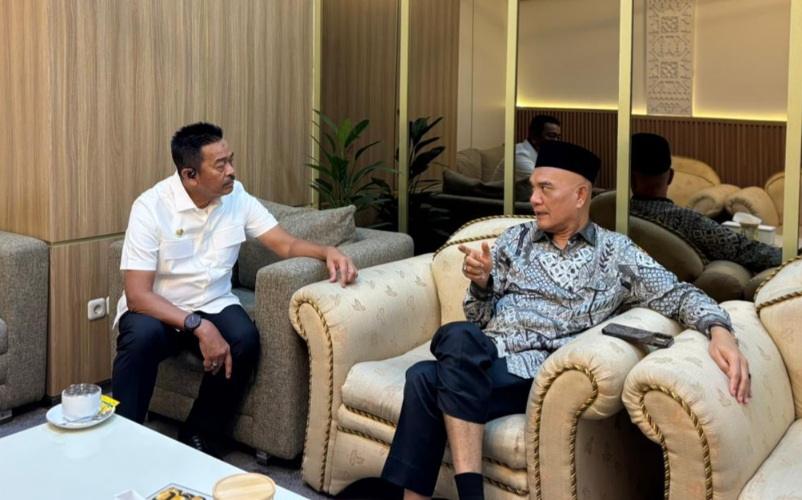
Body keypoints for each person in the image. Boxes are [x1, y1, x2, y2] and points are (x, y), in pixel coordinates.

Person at [381, 141, 750, 500]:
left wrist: (719, 330)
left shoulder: (615, 253)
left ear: (580, 195)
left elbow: (679, 293)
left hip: (537, 374)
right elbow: (478, 319)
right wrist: (481, 284)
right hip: (483, 359)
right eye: (533, 188)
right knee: (451, 344)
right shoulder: (514, 240)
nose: (534, 199)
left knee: (426, 376)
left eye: (545, 188)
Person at [111, 122, 357, 455]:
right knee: (141, 337)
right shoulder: (150, 207)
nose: (232, 170)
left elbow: (284, 244)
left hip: (213, 301)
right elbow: (138, 295)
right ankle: (123, 437)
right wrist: (199, 326)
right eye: (221, 165)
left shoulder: (236, 197)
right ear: (190, 175)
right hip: (159, 309)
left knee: (245, 339)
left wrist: (326, 251)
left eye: (231, 160)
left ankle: (199, 434)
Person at [630, 132, 781, 273]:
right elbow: (744, 250)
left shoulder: (618, 218)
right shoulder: (688, 221)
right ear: (670, 177)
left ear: (628, 176)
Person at [493, 114, 561, 179]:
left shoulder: (543, 153)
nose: (556, 141)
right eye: (551, 136)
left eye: (557, 137)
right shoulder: (519, 155)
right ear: (534, 135)